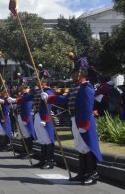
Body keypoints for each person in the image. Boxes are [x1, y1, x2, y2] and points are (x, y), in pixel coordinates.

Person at [43, 55, 103, 185]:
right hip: (75, 119)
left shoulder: (86, 87)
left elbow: (87, 106)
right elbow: (65, 100)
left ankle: (93, 174)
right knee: (81, 147)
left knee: (88, 146)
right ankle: (82, 173)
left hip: (83, 120)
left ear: (81, 73)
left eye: (74, 73)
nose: (72, 75)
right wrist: (50, 97)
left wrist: (85, 123)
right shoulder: (76, 87)